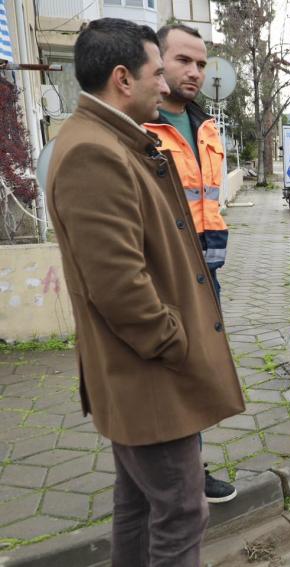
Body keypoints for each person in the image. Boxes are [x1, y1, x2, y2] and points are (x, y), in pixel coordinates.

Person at [46, 18, 245, 565]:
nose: (167, 84)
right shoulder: (95, 152)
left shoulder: (110, 138)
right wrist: (174, 343)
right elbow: (119, 285)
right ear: (121, 79)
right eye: (158, 72)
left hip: (140, 371)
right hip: (148, 372)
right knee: (182, 513)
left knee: (136, 505)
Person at [144, 23, 235, 504]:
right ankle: (176, 479)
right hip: (162, 274)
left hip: (207, 269)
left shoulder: (205, 125)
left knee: (199, 370)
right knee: (169, 374)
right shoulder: (139, 126)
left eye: (201, 63)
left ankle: (189, 469)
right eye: (183, 60)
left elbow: (208, 199)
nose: (195, 71)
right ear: (156, 62)